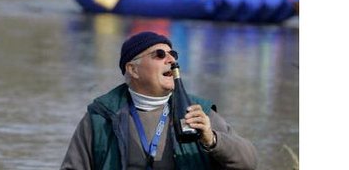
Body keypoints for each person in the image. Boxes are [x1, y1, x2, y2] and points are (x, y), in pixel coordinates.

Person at [60, 31, 258, 170]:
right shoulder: (100, 117)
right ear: (133, 69)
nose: (171, 60)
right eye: (160, 54)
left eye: (173, 54)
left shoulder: (198, 113)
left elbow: (249, 162)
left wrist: (212, 139)